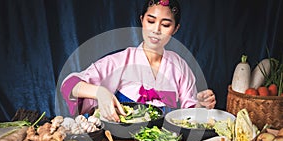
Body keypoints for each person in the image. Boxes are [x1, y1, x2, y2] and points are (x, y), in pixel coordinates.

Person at [61, 0, 216, 122]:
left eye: (166, 24)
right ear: (142, 20)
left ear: (175, 29)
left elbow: (189, 114)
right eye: (151, 21)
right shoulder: (121, 61)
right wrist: (100, 92)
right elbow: (69, 85)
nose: (156, 30)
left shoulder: (180, 67)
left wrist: (201, 105)